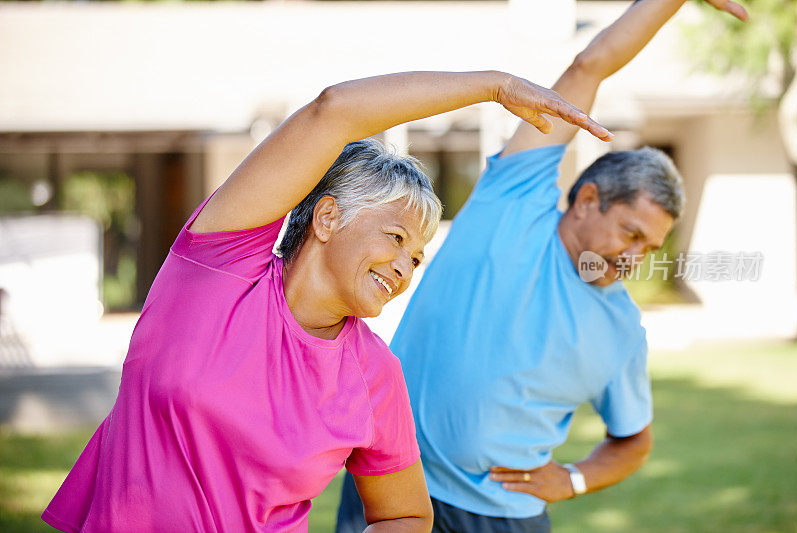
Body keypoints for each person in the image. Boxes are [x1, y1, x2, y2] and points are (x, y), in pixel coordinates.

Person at [41, 71, 611, 532]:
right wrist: (493, 86)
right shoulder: (216, 269)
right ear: (328, 216)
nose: (405, 266)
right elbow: (333, 111)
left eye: (416, 257)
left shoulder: (374, 375)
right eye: (396, 238)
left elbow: (408, 515)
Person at [336, 1, 748, 532]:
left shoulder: (622, 328)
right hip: (390, 484)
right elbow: (588, 67)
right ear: (587, 199)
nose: (634, 256)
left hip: (503, 518)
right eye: (630, 233)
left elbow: (634, 440)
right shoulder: (514, 199)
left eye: (649, 247)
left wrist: (574, 479)